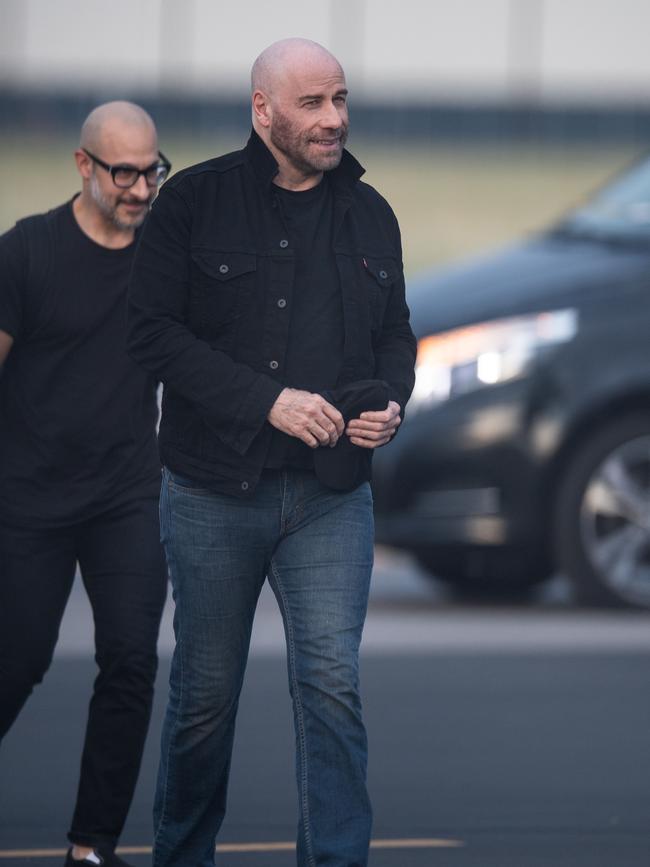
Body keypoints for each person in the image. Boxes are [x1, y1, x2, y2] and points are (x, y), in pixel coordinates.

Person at [127, 38, 417, 867]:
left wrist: (390, 404)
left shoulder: (373, 214)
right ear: (263, 110)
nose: (335, 119)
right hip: (214, 490)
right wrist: (269, 401)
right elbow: (150, 334)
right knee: (205, 700)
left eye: (340, 99)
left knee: (332, 687)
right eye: (313, 103)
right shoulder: (193, 203)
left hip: (332, 498)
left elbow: (396, 334)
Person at [0, 102, 170, 867]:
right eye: (123, 172)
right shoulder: (26, 252)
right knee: (18, 657)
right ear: (83, 165)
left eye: (152, 171)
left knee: (133, 659)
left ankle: (91, 846)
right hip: (27, 497)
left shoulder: (166, 257)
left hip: (126, 494)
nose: (139, 188)